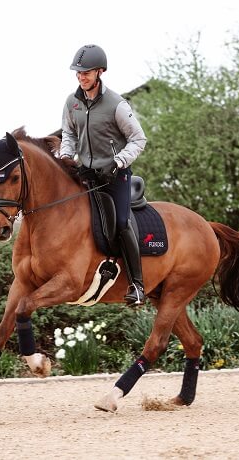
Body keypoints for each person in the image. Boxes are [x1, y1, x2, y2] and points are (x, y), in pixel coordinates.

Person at [59, 44, 148, 306]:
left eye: (86, 72)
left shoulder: (117, 104)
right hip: (85, 172)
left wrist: (118, 162)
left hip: (113, 176)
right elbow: (69, 134)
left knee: (120, 222)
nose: (81, 77)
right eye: (78, 72)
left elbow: (138, 139)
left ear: (100, 72)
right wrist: (66, 156)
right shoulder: (71, 102)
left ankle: (138, 285)